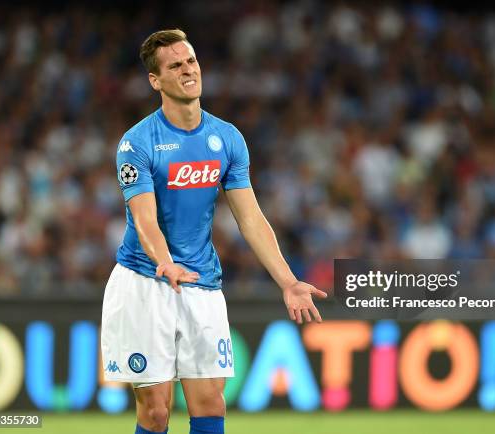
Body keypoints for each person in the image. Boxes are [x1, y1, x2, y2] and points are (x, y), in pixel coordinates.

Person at [100, 28, 327, 434]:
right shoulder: (136, 144)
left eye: (190, 61)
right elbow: (144, 218)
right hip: (144, 280)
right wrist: (165, 263)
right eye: (175, 66)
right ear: (156, 81)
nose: (188, 70)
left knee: (209, 403)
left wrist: (288, 281)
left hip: (201, 283)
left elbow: (250, 217)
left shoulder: (226, 138)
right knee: (155, 411)